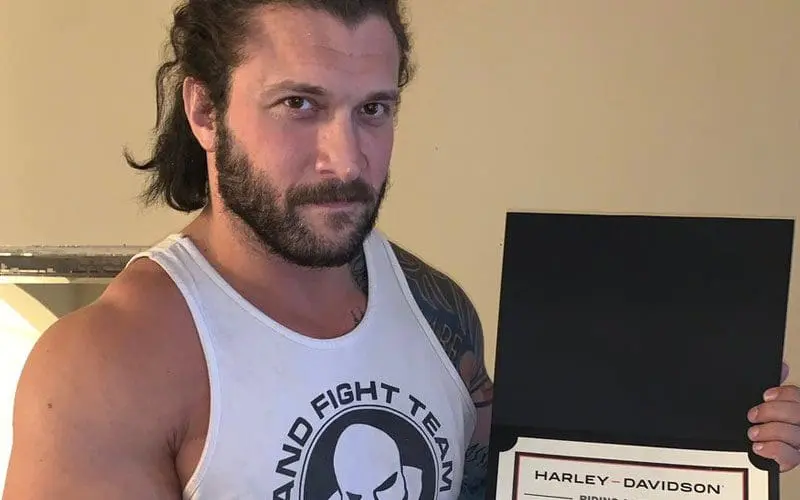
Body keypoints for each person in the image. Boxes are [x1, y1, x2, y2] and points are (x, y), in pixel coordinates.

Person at [2, 1, 799, 499]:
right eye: (299, 104)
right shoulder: (104, 369)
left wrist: (718, 434)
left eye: (374, 109)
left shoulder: (436, 308)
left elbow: (524, 481)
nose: (346, 159)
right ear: (206, 110)